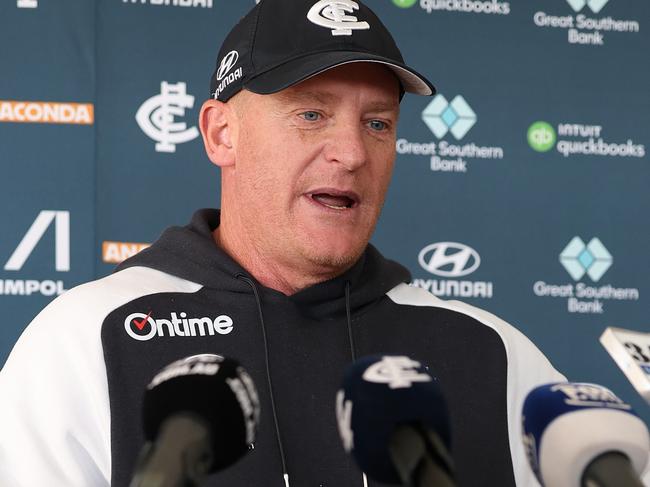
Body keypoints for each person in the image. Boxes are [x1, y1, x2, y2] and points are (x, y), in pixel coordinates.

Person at [0, 1, 567, 486]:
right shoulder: (86, 338)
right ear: (222, 134)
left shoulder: (494, 353)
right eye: (312, 114)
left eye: (378, 124)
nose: (352, 153)